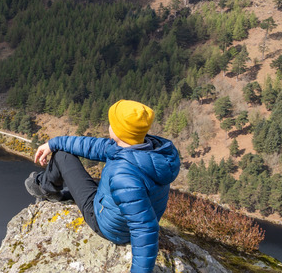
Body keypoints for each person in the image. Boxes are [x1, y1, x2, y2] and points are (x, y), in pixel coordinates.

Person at [25, 99, 180, 273]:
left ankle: (44, 188)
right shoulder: (150, 148)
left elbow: (145, 229)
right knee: (64, 152)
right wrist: (52, 143)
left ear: (119, 132)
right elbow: (93, 146)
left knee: (62, 156)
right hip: (123, 216)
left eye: (112, 123)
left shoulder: (123, 176)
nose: (109, 126)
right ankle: (61, 192)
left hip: (108, 226)